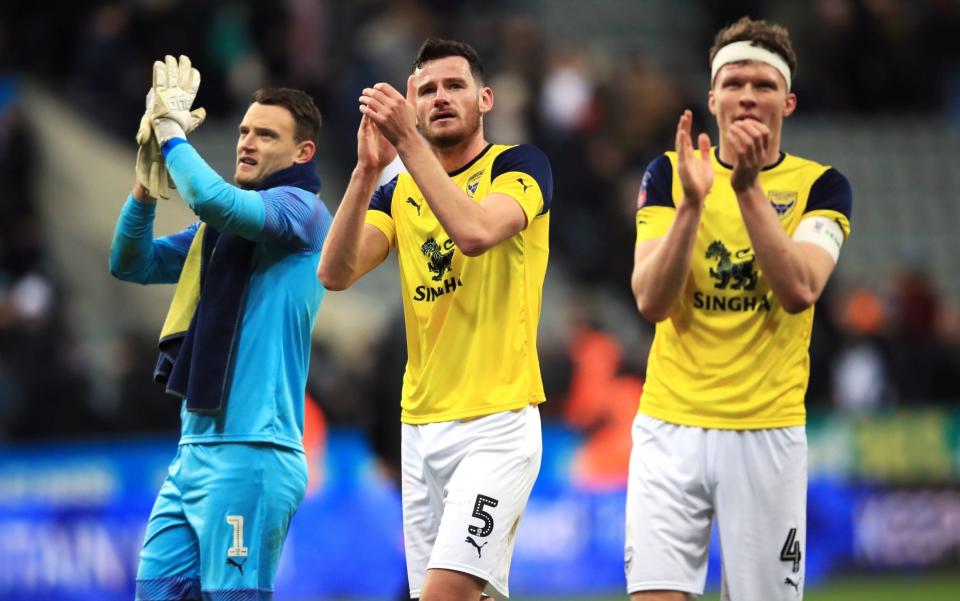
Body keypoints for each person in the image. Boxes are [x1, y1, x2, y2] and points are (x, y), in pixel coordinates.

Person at [626, 17, 853, 601]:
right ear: (711, 99)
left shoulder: (822, 187)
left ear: (789, 101)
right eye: (732, 82)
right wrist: (692, 208)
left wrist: (749, 191)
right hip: (670, 424)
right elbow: (651, 301)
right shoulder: (669, 175)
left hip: (765, 430)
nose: (747, 95)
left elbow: (801, 289)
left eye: (762, 83)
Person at [318, 38, 552, 601]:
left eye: (454, 86)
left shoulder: (519, 166)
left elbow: (472, 233)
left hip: (497, 424)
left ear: (485, 98)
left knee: (443, 594)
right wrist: (366, 171)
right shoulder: (397, 192)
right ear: (413, 105)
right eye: (426, 90)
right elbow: (335, 271)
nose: (440, 97)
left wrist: (404, 143)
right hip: (419, 429)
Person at [109, 55, 332, 600]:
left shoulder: (301, 212)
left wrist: (169, 131)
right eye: (244, 131)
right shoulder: (220, 232)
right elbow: (130, 262)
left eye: (266, 135)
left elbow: (215, 200)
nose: (247, 142)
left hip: (255, 452)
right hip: (194, 452)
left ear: (303, 153)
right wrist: (145, 185)